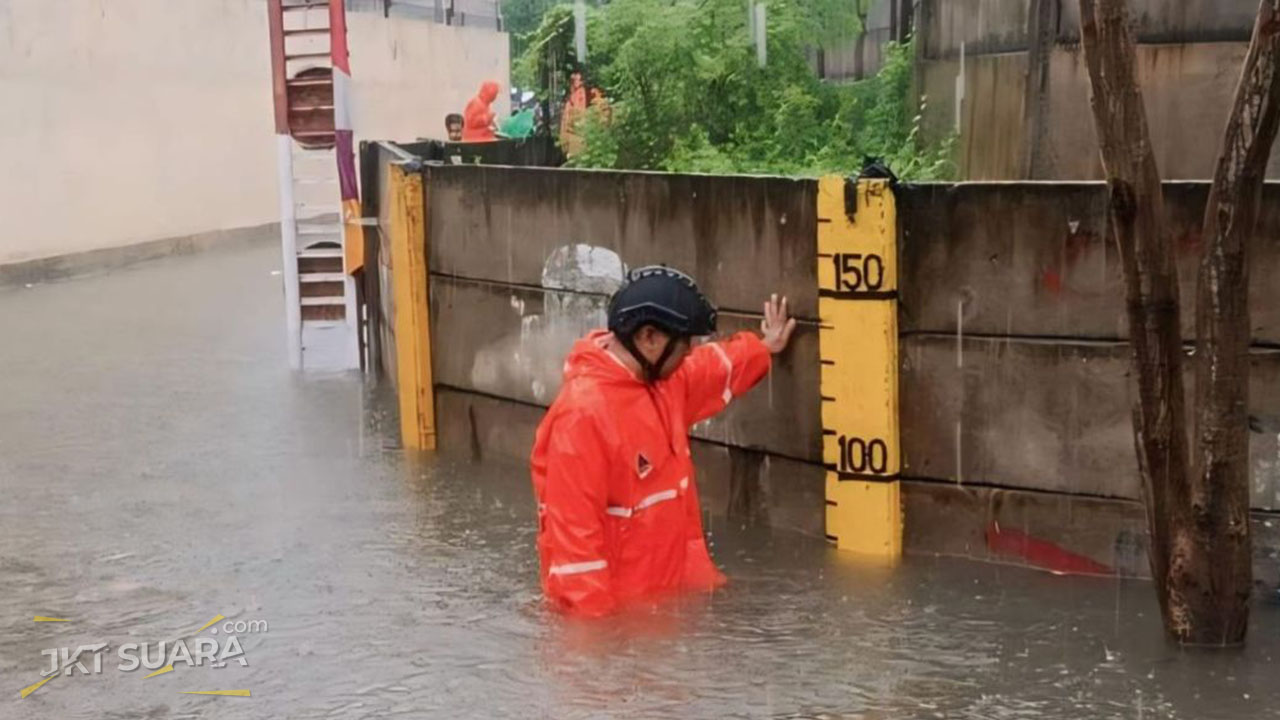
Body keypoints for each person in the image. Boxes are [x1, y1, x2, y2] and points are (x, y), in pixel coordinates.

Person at [530, 266, 797, 617]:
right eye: (684, 343)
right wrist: (597, 661)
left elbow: (713, 367)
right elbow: (575, 561)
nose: (689, 353)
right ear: (649, 337)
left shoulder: (664, 382)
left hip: (671, 608)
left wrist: (764, 348)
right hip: (624, 627)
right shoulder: (582, 417)